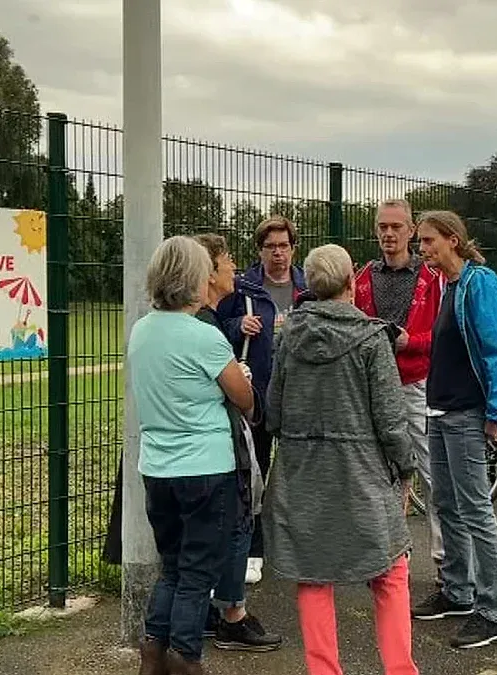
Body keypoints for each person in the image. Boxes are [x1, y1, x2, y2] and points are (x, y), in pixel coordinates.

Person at [264, 244, 420, 675]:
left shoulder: (288, 338)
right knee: (390, 571)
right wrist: (406, 468)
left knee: (313, 576)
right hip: (363, 474)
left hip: (303, 473)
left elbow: (273, 412)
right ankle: (400, 669)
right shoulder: (372, 339)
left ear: (310, 285)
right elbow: (392, 421)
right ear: (352, 282)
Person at [410, 211, 497, 650]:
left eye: (428, 241)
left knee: (475, 510)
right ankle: (457, 592)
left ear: (452, 240)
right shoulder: (448, 286)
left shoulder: (478, 284)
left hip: (466, 414)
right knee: (444, 503)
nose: (422, 249)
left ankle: (493, 611)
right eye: (421, 243)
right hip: (440, 411)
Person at [128, 236, 255, 675]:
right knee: (198, 574)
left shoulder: (141, 330)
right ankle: (186, 659)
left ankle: (152, 656)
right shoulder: (206, 337)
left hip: (157, 469)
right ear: (192, 280)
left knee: (173, 568)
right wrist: (243, 378)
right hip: (206, 468)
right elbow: (244, 400)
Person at [192, 234, 283, 653]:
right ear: (207, 272)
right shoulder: (207, 327)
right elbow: (237, 394)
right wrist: (243, 383)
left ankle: (208, 613)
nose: (233, 266)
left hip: (198, 446)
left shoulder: (161, 324)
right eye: (226, 260)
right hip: (222, 436)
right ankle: (231, 615)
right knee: (236, 516)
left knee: (208, 528)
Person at [353, 199, 444, 585]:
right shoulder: (362, 279)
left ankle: (445, 564)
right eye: (382, 227)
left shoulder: (431, 279)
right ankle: (389, 561)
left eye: (396, 227)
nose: (388, 234)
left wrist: (413, 342)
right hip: (373, 386)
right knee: (378, 475)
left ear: (410, 230)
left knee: (431, 472)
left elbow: (445, 333)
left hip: (416, 383)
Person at [215, 215, 307, 584]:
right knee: (255, 474)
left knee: (300, 473)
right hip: (258, 394)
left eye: (284, 246)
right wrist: (238, 327)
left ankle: (297, 544)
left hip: (300, 394)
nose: (278, 253)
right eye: (271, 247)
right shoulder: (243, 288)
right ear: (260, 250)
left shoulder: (307, 286)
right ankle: (253, 549)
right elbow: (211, 328)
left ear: (293, 248)